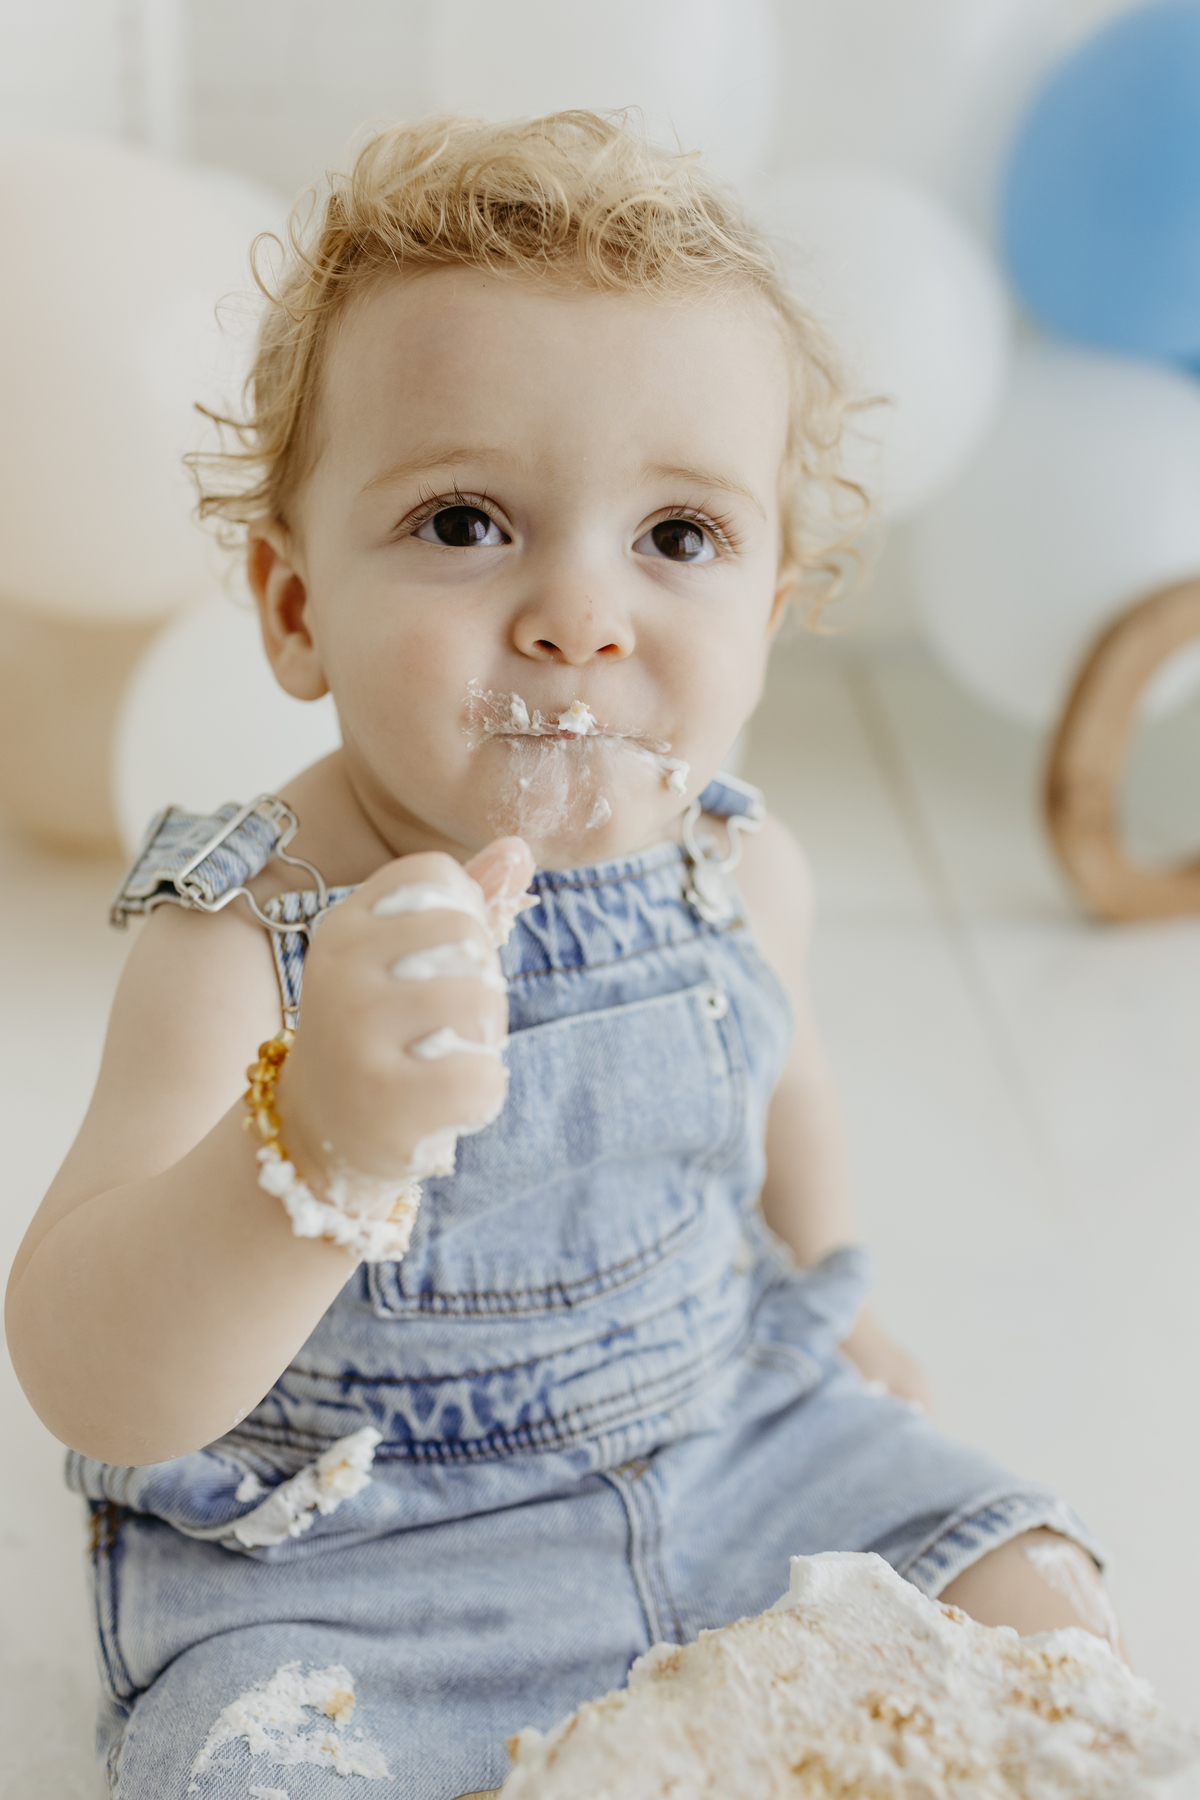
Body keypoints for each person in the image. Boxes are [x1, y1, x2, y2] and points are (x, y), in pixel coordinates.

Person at [5, 113, 1117, 1800]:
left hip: (731, 1442)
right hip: (360, 1564)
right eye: (466, 523)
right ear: (294, 609)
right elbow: (91, 1371)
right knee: (247, 1768)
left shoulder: (741, 866)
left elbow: (781, 1084)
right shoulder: (241, 937)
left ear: (774, 604)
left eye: (678, 537)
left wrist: (837, 1299)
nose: (580, 614)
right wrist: (304, 1145)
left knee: (1045, 1614)